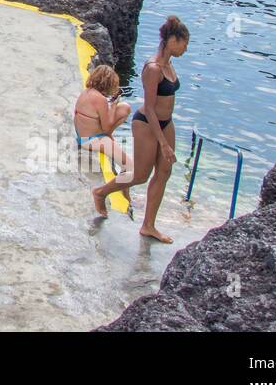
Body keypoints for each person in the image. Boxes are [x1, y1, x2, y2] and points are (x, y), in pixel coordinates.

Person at [93, 16, 190, 243]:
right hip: (147, 123)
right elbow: (150, 108)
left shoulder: (169, 65)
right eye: (184, 43)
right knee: (140, 175)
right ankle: (101, 192)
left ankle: (149, 225)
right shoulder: (153, 68)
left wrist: (167, 139)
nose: (186, 48)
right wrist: (163, 144)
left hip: (167, 123)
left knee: (164, 172)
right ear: (172, 40)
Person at [74, 64, 134, 197]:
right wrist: (112, 106)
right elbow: (106, 126)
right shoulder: (100, 99)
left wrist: (113, 106)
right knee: (131, 168)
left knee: (125, 108)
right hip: (92, 140)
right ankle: (124, 195)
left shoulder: (87, 92)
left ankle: (122, 189)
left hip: (85, 135)